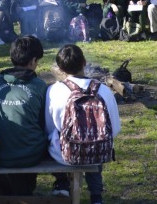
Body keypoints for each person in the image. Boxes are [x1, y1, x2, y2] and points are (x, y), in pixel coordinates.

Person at [45, 45, 120, 204]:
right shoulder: (104, 90)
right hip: (98, 154)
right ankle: (96, 196)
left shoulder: (53, 91)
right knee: (94, 147)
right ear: (84, 62)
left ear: (60, 68)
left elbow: (50, 128)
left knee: (51, 139)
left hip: (65, 155)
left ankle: (62, 183)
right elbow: (115, 129)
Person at [0, 36, 48, 195]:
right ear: (33, 61)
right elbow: (43, 123)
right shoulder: (40, 86)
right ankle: (60, 186)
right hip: (30, 155)